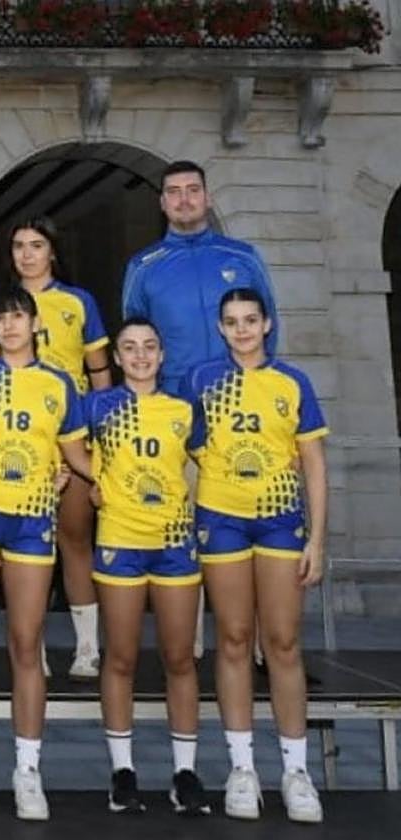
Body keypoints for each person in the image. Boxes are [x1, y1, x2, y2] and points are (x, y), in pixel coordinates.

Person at [0, 288, 91, 821]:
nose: (8, 326)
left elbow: (76, 454)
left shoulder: (59, 384)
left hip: (31, 520)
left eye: (16, 317)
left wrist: (105, 479)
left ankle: (28, 769)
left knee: (28, 644)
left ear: (34, 324)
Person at [182, 287, 328, 824]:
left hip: (279, 521)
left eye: (250, 320)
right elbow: (190, 459)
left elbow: (313, 464)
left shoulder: (293, 382)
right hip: (220, 520)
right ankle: (241, 769)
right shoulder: (201, 380)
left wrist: (317, 539)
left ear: (267, 324)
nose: (241, 329)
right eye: (232, 321)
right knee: (234, 639)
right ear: (221, 329)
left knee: (284, 643)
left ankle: (296, 771)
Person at [0, 218, 111, 680]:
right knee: (15, 547)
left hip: (66, 436)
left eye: (37, 245)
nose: (27, 254)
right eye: (18, 246)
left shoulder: (78, 302)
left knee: (73, 539)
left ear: (52, 251)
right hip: (12, 442)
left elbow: (99, 372)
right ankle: (31, 648)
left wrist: (98, 428)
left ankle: (88, 647)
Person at [84, 318, 208, 816]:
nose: (139, 356)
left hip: (174, 542)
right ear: (116, 356)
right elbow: (72, 452)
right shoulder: (98, 405)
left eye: (149, 347)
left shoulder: (183, 409)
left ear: (161, 355)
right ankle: (123, 771)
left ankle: (185, 771)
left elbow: (204, 467)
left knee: (180, 658)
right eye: (130, 348)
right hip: (119, 539)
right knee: (121, 657)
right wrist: (94, 484)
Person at [121, 160, 279, 397]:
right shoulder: (142, 266)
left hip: (242, 392)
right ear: (163, 203)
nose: (184, 200)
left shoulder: (244, 256)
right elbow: (134, 339)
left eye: (193, 190)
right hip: (175, 397)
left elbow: (270, 322)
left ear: (208, 198)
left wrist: (262, 379)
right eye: (174, 192)